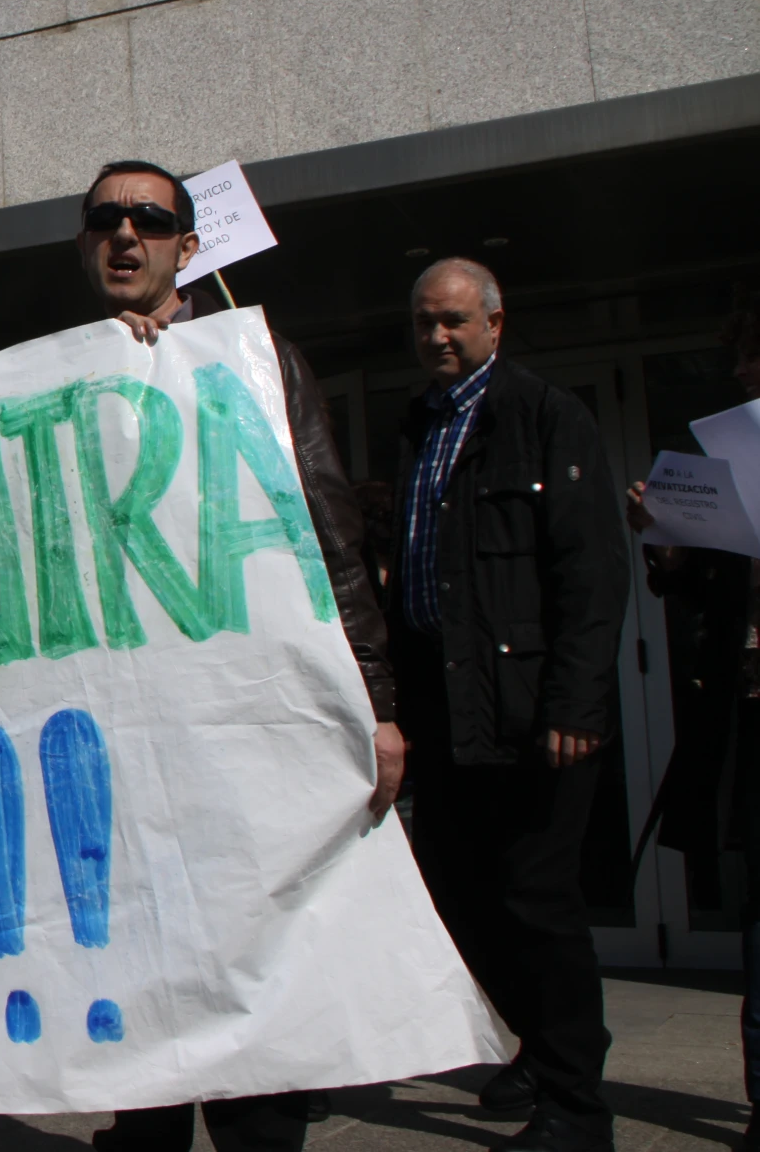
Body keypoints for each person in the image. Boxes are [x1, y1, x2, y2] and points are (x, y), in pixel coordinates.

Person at [73, 161, 401, 1152]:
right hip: (121, 753)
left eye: (150, 219)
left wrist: (374, 704)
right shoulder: (55, 373)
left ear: (188, 245)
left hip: (239, 740)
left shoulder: (255, 359)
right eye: (105, 219)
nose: (125, 234)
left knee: (254, 1021)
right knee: (147, 1028)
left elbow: (326, 535)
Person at [391, 258, 627, 1152]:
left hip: (535, 717)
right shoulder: (419, 422)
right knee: (455, 892)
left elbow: (591, 572)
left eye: (453, 321)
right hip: (447, 713)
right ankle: (537, 1041)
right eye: (424, 323)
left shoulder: (543, 415)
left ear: (496, 322)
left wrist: (576, 702)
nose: (438, 338)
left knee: (538, 901)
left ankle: (576, 1104)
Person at [626, 297, 760, 1150]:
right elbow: (697, 586)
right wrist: (670, 544)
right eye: (741, 359)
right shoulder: (734, 461)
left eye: (757, 358)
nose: (744, 373)